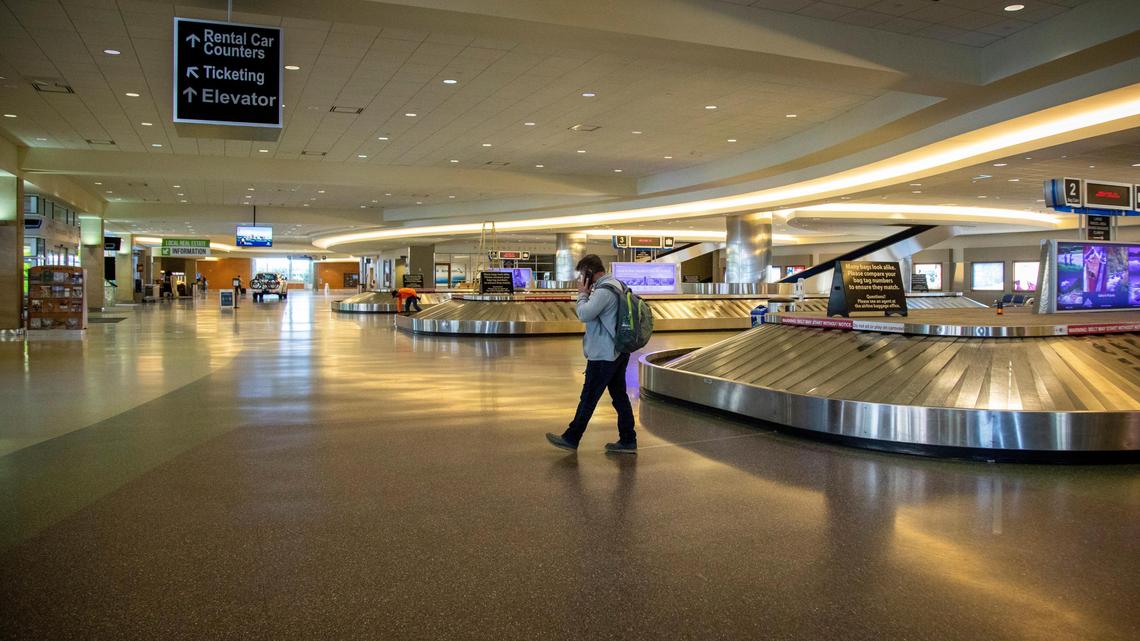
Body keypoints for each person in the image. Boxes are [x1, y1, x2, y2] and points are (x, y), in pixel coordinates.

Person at [546, 254, 637, 454]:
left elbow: (584, 314)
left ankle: (571, 437)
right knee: (620, 396)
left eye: (582, 274)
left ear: (589, 272)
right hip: (618, 351)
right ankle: (628, 439)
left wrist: (582, 294)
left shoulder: (604, 291)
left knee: (588, 397)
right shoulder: (617, 284)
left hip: (604, 354)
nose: (581, 279)